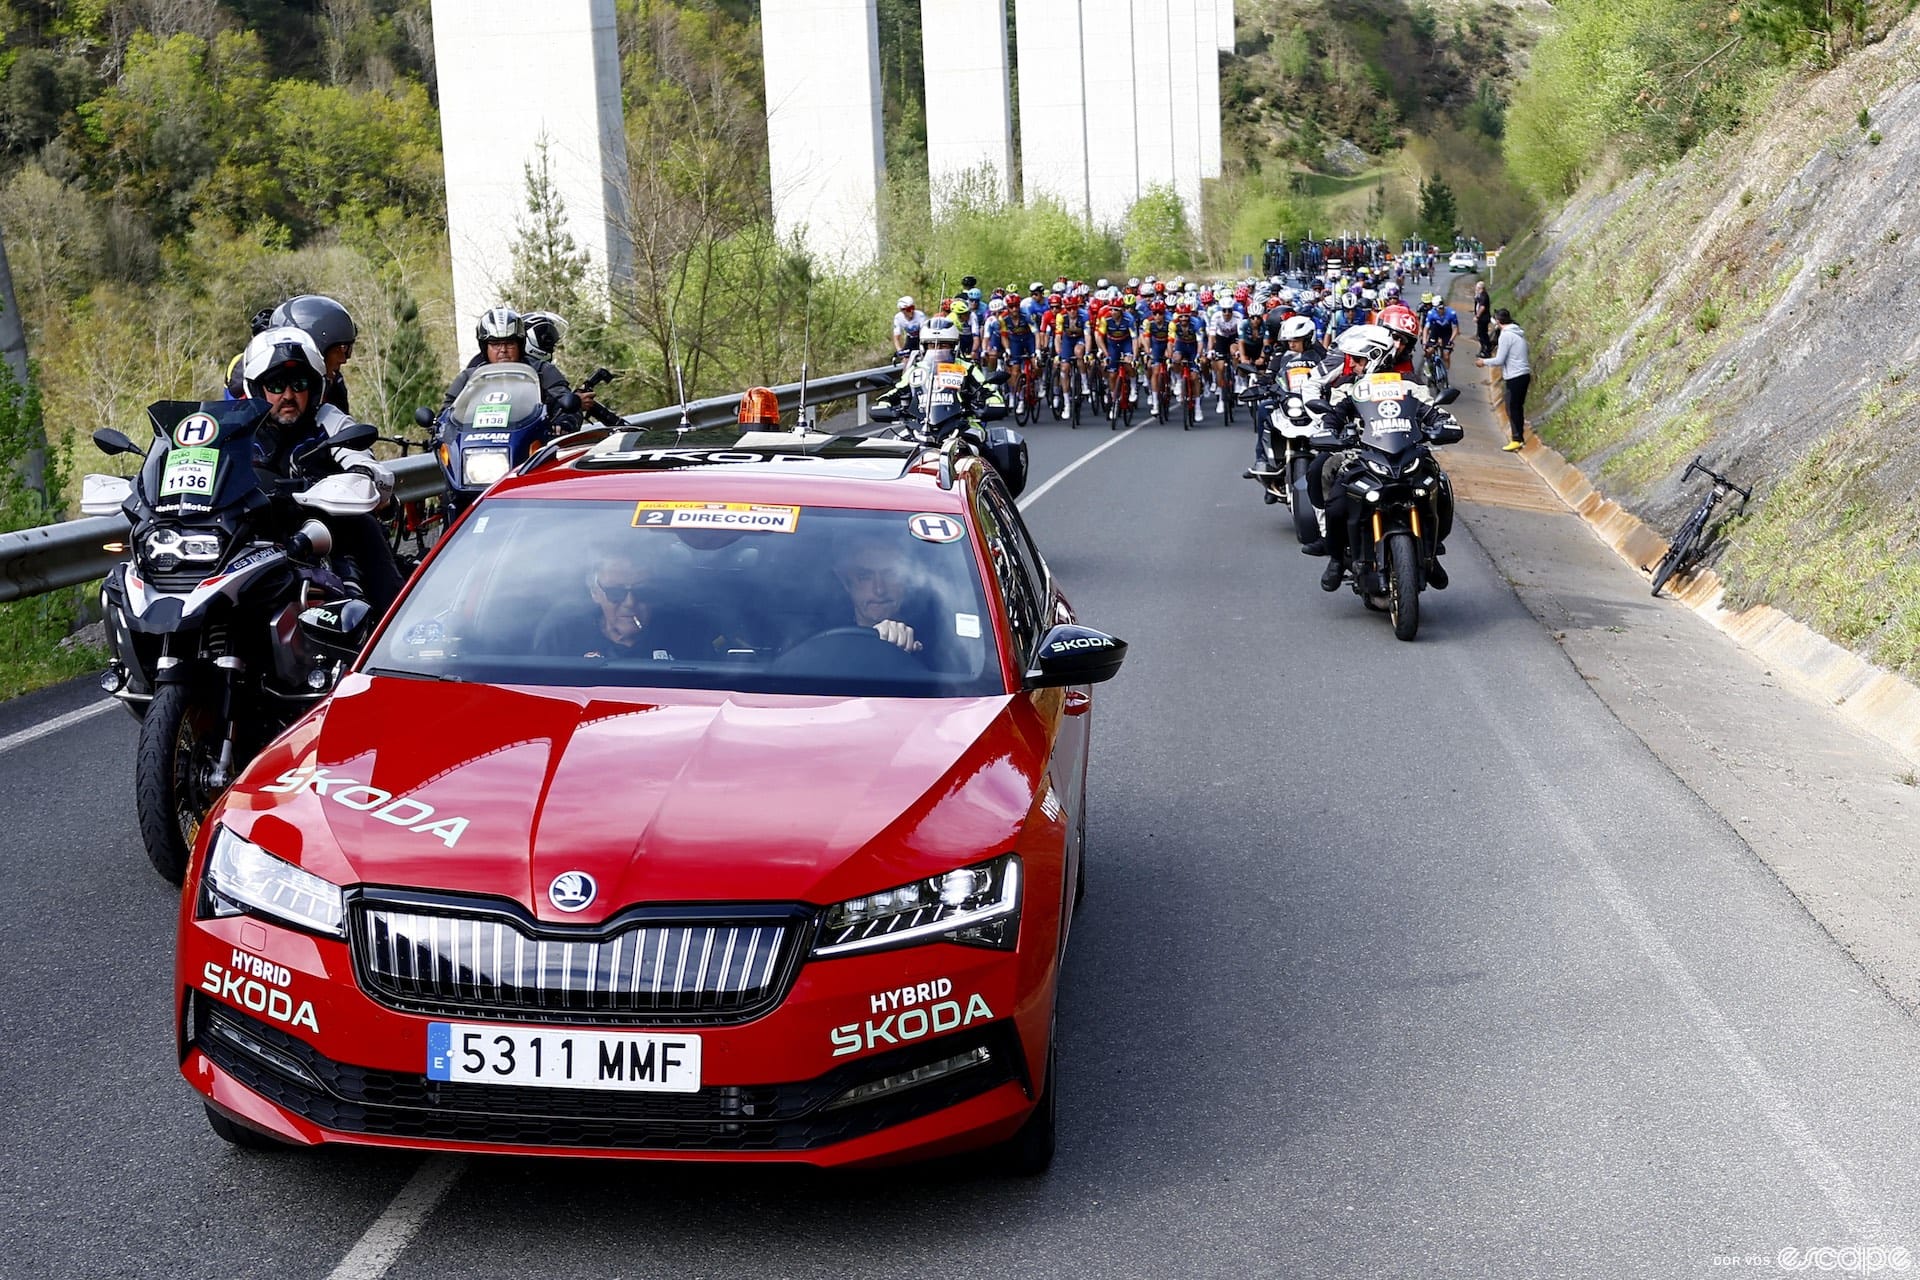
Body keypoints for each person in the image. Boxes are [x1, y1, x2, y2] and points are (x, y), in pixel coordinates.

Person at [243, 326, 403, 614]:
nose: (288, 395)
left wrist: (362, 475)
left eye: (299, 383)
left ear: (314, 387)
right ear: (257, 388)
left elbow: (369, 464)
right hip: (255, 535)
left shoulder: (328, 421)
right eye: (276, 385)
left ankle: (392, 634)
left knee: (364, 530)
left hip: (326, 534)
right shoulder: (241, 430)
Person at [533, 542, 707, 661]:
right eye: (616, 592)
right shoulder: (562, 636)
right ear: (595, 593)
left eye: (642, 591)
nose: (630, 602)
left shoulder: (688, 634)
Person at [439, 306, 579, 429]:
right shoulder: (468, 379)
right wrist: (438, 428)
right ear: (484, 347)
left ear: (520, 344)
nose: (503, 350)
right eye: (495, 344)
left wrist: (564, 423)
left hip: (533, 447)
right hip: (477, 447)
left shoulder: (544, 371)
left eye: (509, 343)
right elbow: (445, 415)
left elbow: (567, 405)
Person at [831, 530, 937, 656]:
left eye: (891, 575)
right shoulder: (827, 646)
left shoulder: (938, 645)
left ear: (908, 578)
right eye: (864, 577)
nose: (879, 590)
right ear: (845, 582)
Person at [270, 295, 356, 414]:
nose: (343, 359)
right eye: (338, 350)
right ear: (315, 350)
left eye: (346, 350)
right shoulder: (265, 388)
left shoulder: (334, 386)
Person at [1477, 308, 1532, 451]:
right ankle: (1519, 438)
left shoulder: (1506, 336)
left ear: (1498, 322)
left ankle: (1516, 439)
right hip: (1524, 374)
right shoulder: (1518, 333)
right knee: (1516, 407)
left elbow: (1500, 359)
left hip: (1515, 376)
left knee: (1511, 407)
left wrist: (1483, 362)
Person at [1472, 282, 1493, 358]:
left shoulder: (1484, 296)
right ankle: (1483, 349)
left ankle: (1486, 350)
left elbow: (1482, 307)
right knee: (1480, 335)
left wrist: (1477, 316)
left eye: (1477, 288)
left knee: (1483, 335)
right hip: (1481, 318)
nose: (1475, 289)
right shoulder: (1480, 295)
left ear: (1480, 288)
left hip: (1483, 318)